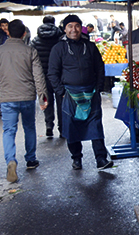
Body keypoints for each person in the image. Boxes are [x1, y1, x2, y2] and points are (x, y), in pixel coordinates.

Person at [0, 19, 48, 183]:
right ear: (24, 33)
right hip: (27, 96)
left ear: (8, 32)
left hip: (7, 98)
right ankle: (31, 159)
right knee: (29, 127)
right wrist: (42, 96)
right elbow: (38, 76)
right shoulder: (30, 51)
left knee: (9, 131)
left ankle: (11, 161)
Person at [48, 14, 113, 170]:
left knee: (96, 125)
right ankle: (76, 158)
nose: (74, 29)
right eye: (70, 26)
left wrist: (98, 88)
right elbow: (52, 73)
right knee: (71, 127)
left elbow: (99, 68)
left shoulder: (90, 47)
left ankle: (101, 159)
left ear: (80, 28)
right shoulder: (58, 48)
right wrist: (61, 92)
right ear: (64, 29)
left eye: (76, 25)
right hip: (70, 94)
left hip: (91, 93)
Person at [31, 16, 64, 138]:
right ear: (53, 23)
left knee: (47, 100)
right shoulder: (60, 39)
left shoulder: (35, 41)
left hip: (43, 75)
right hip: (59, 75)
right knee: (61, 102)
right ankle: (62, 128)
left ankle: (49, 125)